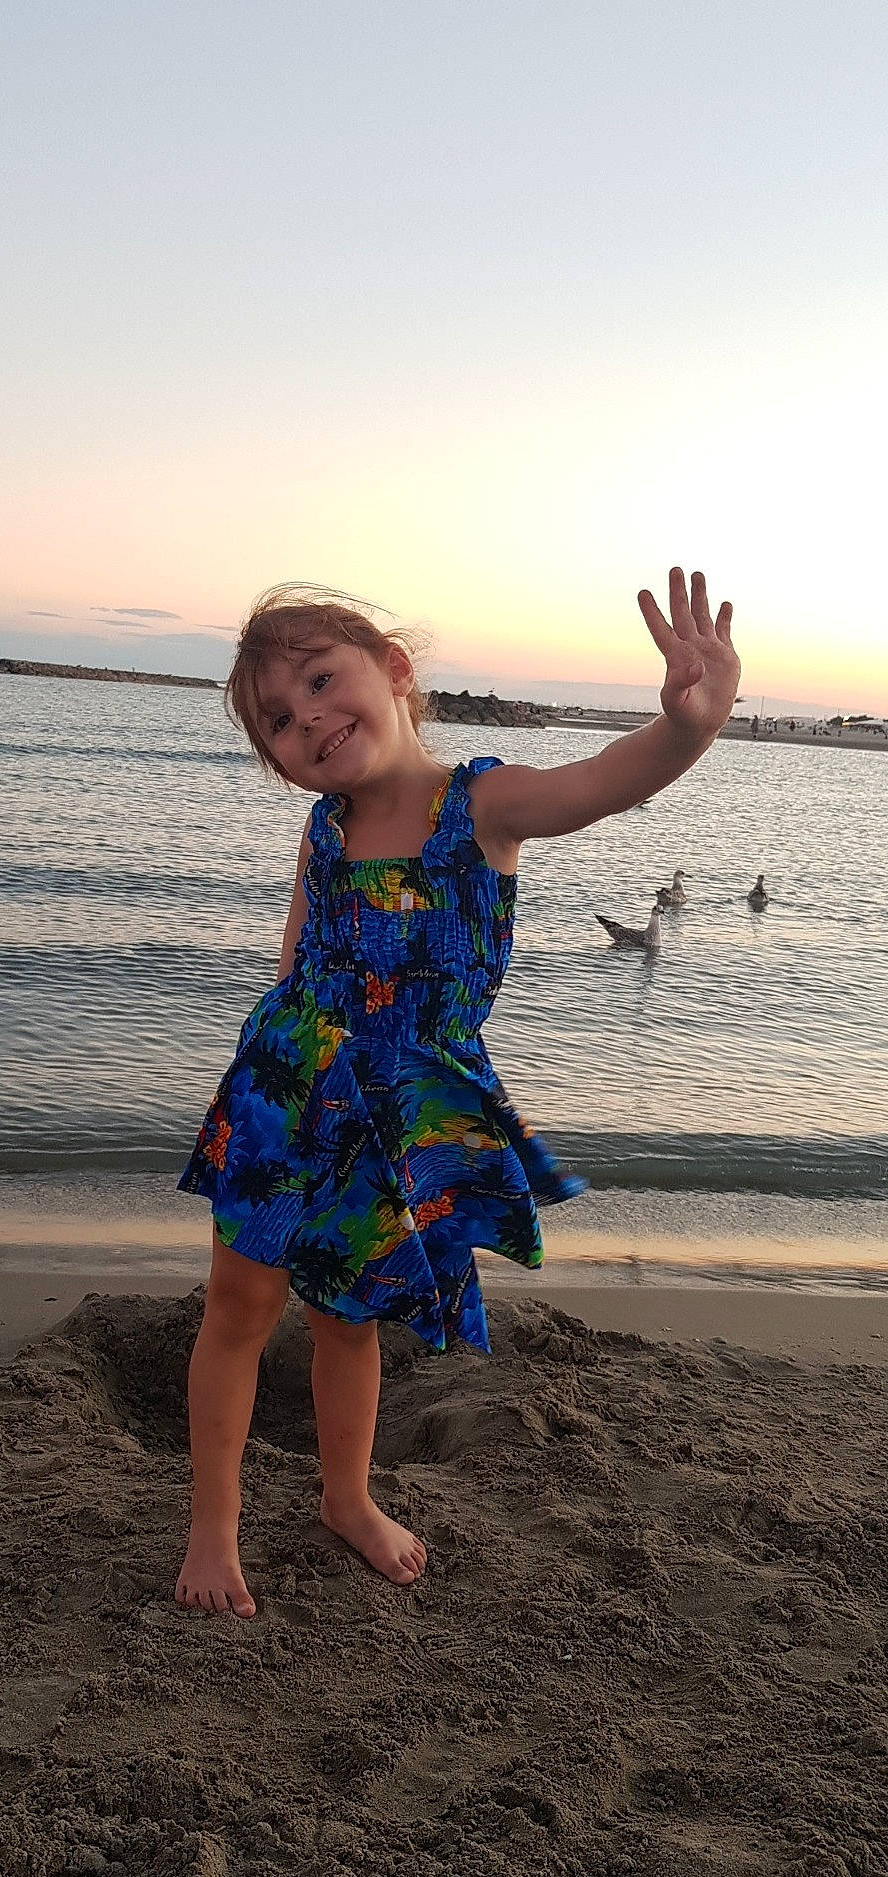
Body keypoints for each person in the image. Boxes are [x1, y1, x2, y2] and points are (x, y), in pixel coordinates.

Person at [176, 568, 740, 1616]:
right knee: (237, 1306)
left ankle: (346, 1496)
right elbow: (296, 965)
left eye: (320, 679)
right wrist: (279, 1078)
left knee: (351, 1319)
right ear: (282, 761)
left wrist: (687, 727)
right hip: (289, 1090)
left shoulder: (480, 803)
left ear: (392, 670)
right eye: (281, 722)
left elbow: (608, 778)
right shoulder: (324, 831)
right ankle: (214, 1526)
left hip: (399, 1112)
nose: (310, 718)